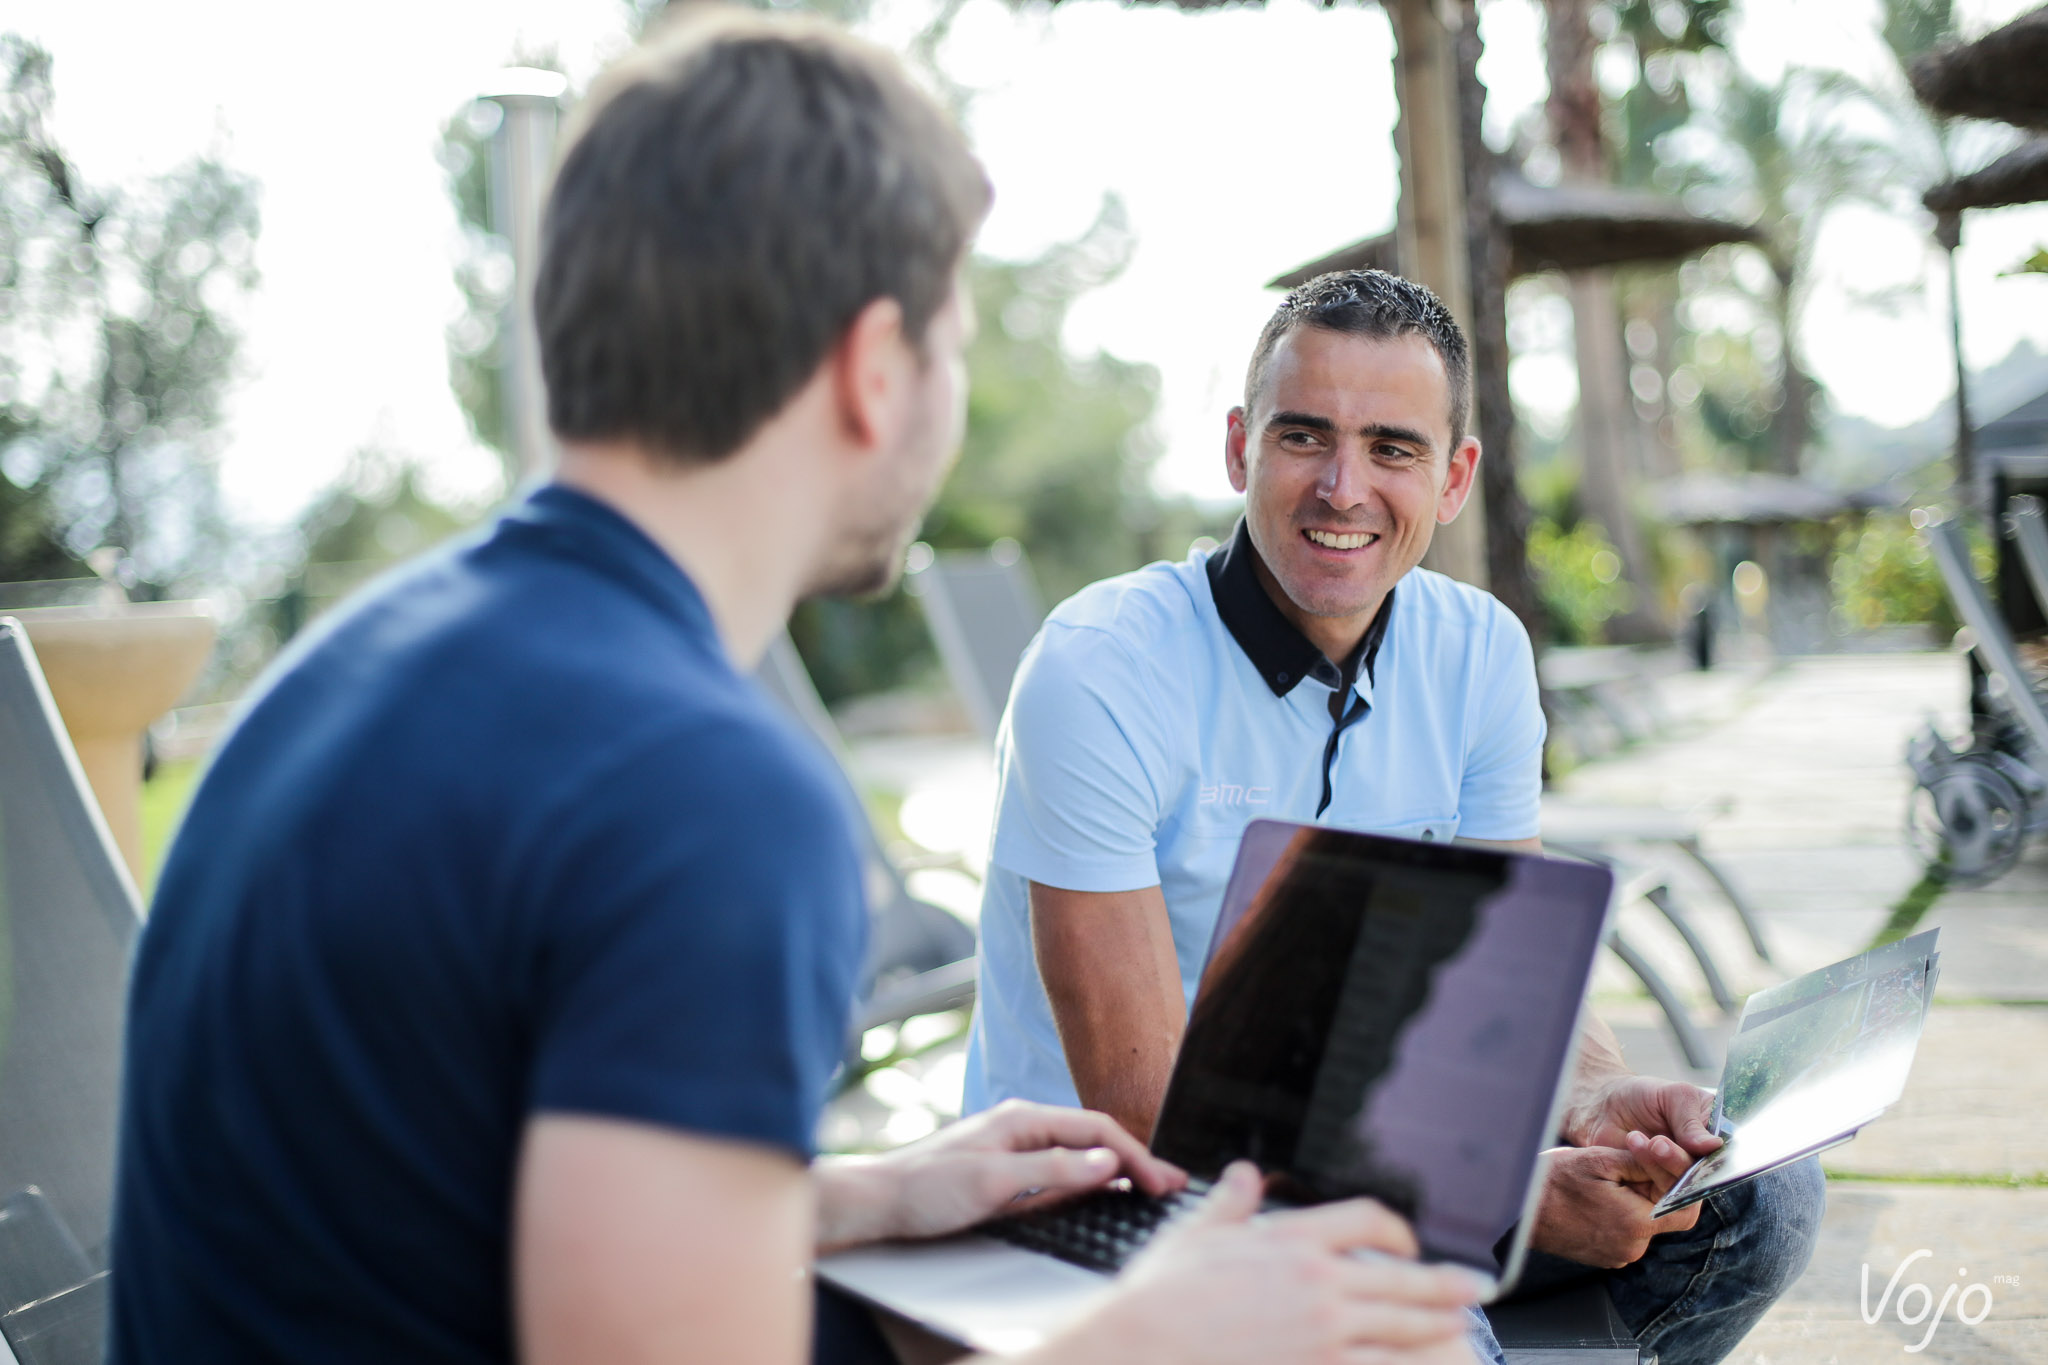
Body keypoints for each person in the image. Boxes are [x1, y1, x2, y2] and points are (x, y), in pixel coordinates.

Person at [106, 15, 1487, 1365]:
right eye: (952, 346)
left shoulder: (342, 676)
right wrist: (1152, 1336)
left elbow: (446, 1211)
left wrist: (856, 1192)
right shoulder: (697, 789)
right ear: (872, 371)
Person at [961, 269, 1825, 1365]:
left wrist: (1598, 1098)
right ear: (1238, 449)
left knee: (1761, 1198)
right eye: (1302, 437)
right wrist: (1494, 1204)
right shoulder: (1098, 674)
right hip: (1113, 1211)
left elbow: (1502, 995)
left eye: (1392, 449)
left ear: (1454, 476)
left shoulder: (1477, 654)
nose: (1341, 486)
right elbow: (1145, 1114)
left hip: (1376, 1170)